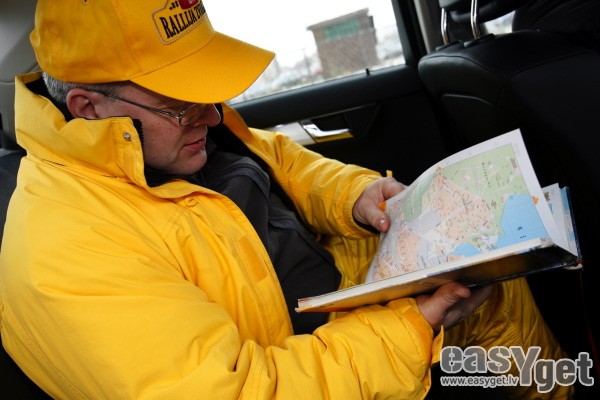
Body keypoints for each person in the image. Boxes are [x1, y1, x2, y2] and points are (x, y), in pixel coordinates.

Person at [0, 0, 573, 398]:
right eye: (182, 104)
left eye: (210, 93)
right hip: (289, 359)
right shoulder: (64, 249)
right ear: (89, 108)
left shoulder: (168, 134)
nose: (211, 116)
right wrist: (408, 328)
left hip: (323, 304)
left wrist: (354, 194)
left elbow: (281, 160)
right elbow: (235, 391)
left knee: (495, 284)